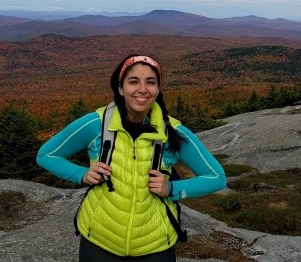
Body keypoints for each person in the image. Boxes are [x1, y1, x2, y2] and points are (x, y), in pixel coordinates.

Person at [37, 54, 227, 262]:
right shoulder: (96, 124)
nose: (143, 89)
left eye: (151, 82)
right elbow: (46, 154)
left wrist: (172, 189)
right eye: (133, 81)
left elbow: (217, 177)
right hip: (100, 241)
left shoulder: (173, 132)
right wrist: (82, 174)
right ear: (120, 88)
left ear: (158, 89)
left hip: (155, 245)